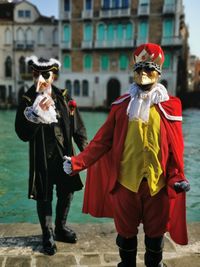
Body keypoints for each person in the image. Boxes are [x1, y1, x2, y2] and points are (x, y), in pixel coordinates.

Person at [63, 43, 190, 267]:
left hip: (157, 187)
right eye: (139, 70)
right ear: (133, 72)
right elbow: (101, 142)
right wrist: (77, 162)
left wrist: (177, 178)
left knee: (155, 238)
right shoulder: (121, 107)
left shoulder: (171, 107)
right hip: (126, 186)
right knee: (126, 238)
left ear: (158, 73)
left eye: (149, 70)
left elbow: (174, 152)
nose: (143, 76)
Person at [15, 56, 88, 256]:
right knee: (44, 196)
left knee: (67, 192)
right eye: (36, 74)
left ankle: (60, 228)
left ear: (53, 76)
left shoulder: (63, 96)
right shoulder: (27, 99)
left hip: (64, 156)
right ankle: (47, 234)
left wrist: (86, 152)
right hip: (42, 158)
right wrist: (35, 115)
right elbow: (21, 133)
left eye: (45, 74)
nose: (40, 78)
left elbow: (77, 126)